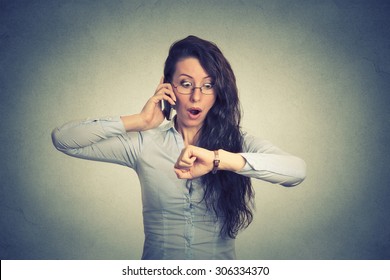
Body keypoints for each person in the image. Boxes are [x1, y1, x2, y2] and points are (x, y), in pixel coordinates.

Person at [51, 35, 306, 260]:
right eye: (186, 84)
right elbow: (65, 140)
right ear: (167, 86)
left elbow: (296, 171)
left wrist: (220, 160)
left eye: (208, 85)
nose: (197, 97)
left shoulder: (237, 141)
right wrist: (139, 121)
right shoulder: (144, 143)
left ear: (218, 92)